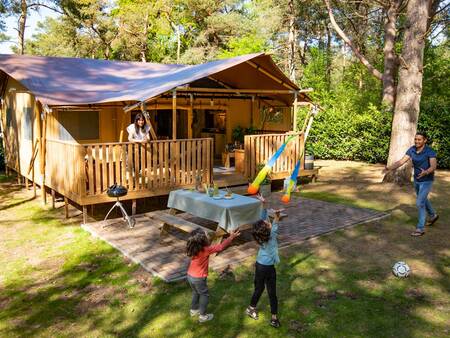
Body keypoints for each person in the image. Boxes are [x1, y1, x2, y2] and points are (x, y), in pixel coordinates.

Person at [384, 131, 439, 236]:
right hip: (417, 180)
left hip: (427, 180)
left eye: (419, 139)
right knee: (423, 199)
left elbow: (433, 166)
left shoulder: (430, 151)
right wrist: (389, 168)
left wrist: (426, 172)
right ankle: (433, 215)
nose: (417, 141)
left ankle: (420, 228)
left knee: (420, 203)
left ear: (425, 140)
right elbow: (401, 161)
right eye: (416, 139)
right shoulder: (412, 149)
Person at [186, 227, 241, 323]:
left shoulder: (193, 248)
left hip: (190, 275)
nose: (208, 235)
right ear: (202, 239)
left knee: (196, 292)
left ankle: (193, 310)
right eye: (206, 234)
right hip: (199, 278)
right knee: (204, 295)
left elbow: (208, 242)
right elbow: (220, 247)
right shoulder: (205, 249)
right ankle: (203, 316)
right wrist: (231, 237)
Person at [246, 195, 283, 328]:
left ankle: (251, 309)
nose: (268, 221)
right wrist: (277, 214)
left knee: (259, 288)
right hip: (268, 268)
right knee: (272, 293)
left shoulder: (260, 235)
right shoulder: (272, 235)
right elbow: (276, 220)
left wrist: (263, 204)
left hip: (259, 265)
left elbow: (262, 219)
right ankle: (274, 318)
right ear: (268, 229)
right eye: (268, 223)